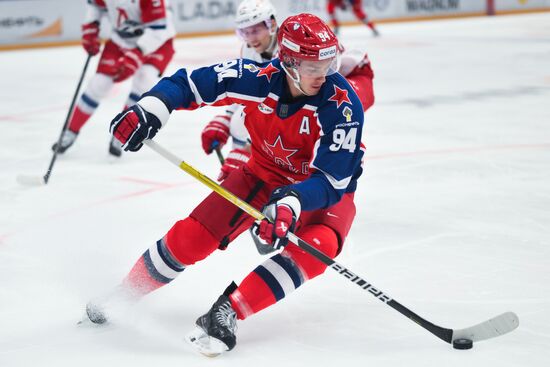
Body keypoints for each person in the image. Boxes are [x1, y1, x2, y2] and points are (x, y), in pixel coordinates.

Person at [87, 13, 367, 357]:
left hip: (320, 193)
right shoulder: (257, 79)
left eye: (328, 63)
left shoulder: (343, 105)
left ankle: (229, 310)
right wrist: (150, 108)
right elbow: (187, 83)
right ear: (289, 62)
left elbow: (332, 181)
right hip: (261, 174)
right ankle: (126, 293)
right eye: (312, 66)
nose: (322, 74)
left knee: (319, 246)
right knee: (192, 237)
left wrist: (292, 202)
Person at [202, 0, 375, 182]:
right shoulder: (249, 50)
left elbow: (327, 77)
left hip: (351, 80)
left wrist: (245, 152)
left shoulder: (294, 45)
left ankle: (328, 179)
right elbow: (250, 93)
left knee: (317, 129)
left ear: (272, 24)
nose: (251, 38)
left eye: (255, 30)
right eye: (245, 32)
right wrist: (225, 118)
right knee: (243, 122)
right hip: (313, 88)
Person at [52, 0, 175, 157]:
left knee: (144, 80)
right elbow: (95, 6)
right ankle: (71, 131)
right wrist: (91, 27)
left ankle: (122, 133)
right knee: (99, 84)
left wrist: (136, 54)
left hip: (157, 42)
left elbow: (158, 30)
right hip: (121, 40)